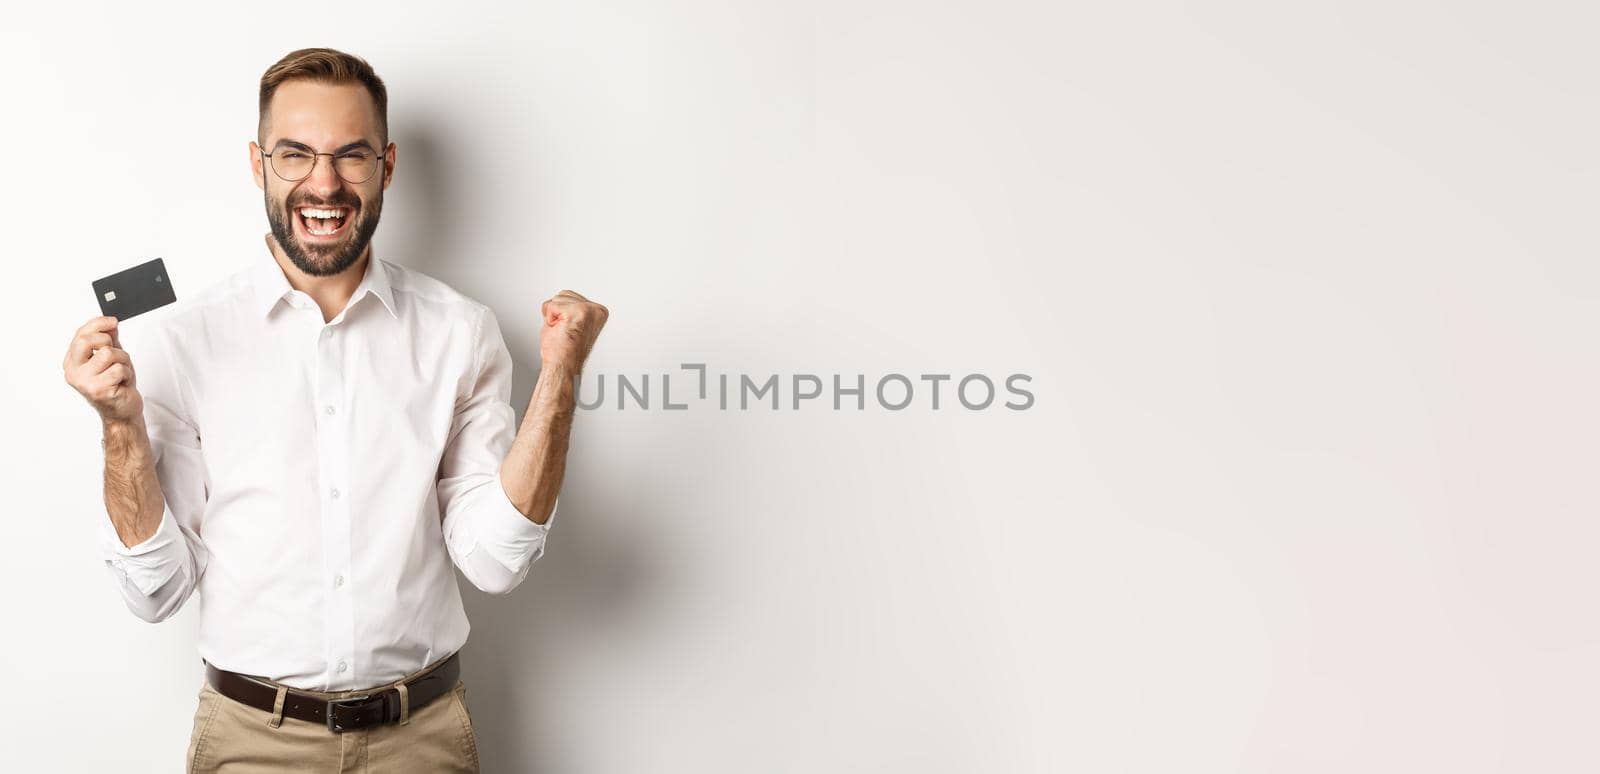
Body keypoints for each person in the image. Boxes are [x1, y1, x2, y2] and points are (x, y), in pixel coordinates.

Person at [60, 47, 608, 773]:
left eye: (351, 156)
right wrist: (120, 427)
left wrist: (561, 375)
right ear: (258, 165)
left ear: (387, 165)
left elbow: (496, 561)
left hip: (423, 740)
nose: (324, 183)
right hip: (251, 743)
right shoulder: (179, 341)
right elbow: (156, 590)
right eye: (296, 155)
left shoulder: (459, 332)